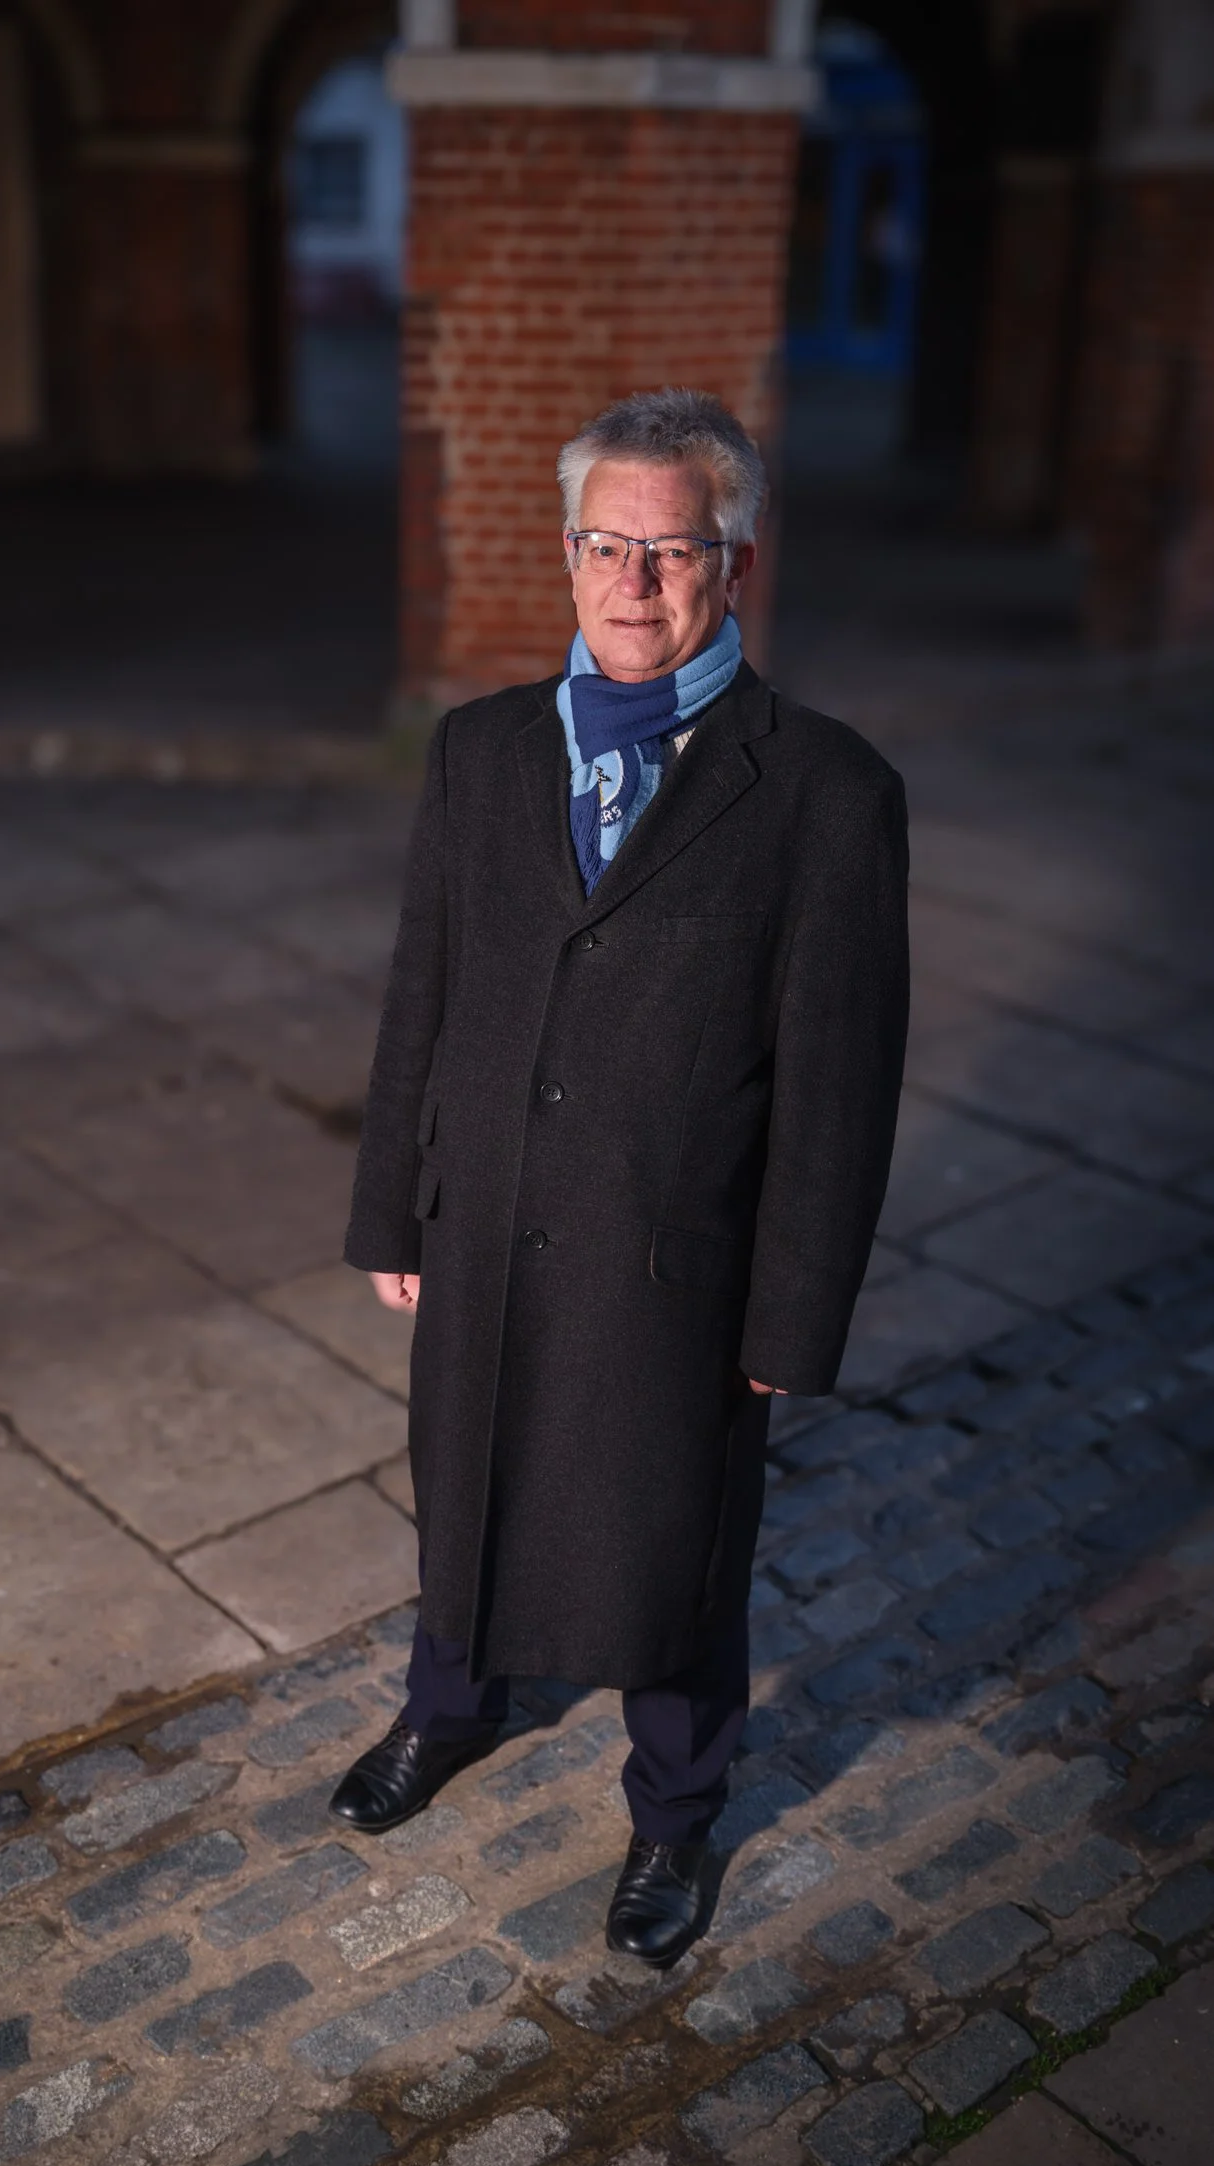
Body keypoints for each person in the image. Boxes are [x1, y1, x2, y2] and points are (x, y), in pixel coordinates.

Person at [328, 386, 909, 1969]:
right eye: (606, 544)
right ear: (568, 552)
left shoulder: (826, 793)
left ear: (733, 564)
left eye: (672, 550)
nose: (631, 582)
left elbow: (838, 1089)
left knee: (674, 1549)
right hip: (483, 1222)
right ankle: (447, 1708)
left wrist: (792, 1319)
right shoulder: (479, 750)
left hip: (674, 1265)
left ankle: (675, 1812)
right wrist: (391, 1202)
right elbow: (422, 997)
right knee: (465, 1494)